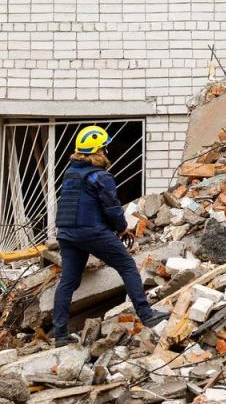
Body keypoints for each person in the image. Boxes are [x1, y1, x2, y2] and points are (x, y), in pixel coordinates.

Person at [52, 125, 169, 347]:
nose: (106, 152)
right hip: (91, 231)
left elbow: (78, 204)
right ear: (99, 151)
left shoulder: (70, 174)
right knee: (127, 266)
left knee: (68, 281)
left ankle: (60, 335)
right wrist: (122, 227)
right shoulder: (100, 176)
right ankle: (147, 315)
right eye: (104, 149)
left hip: (67, 233)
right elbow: (111, 207)